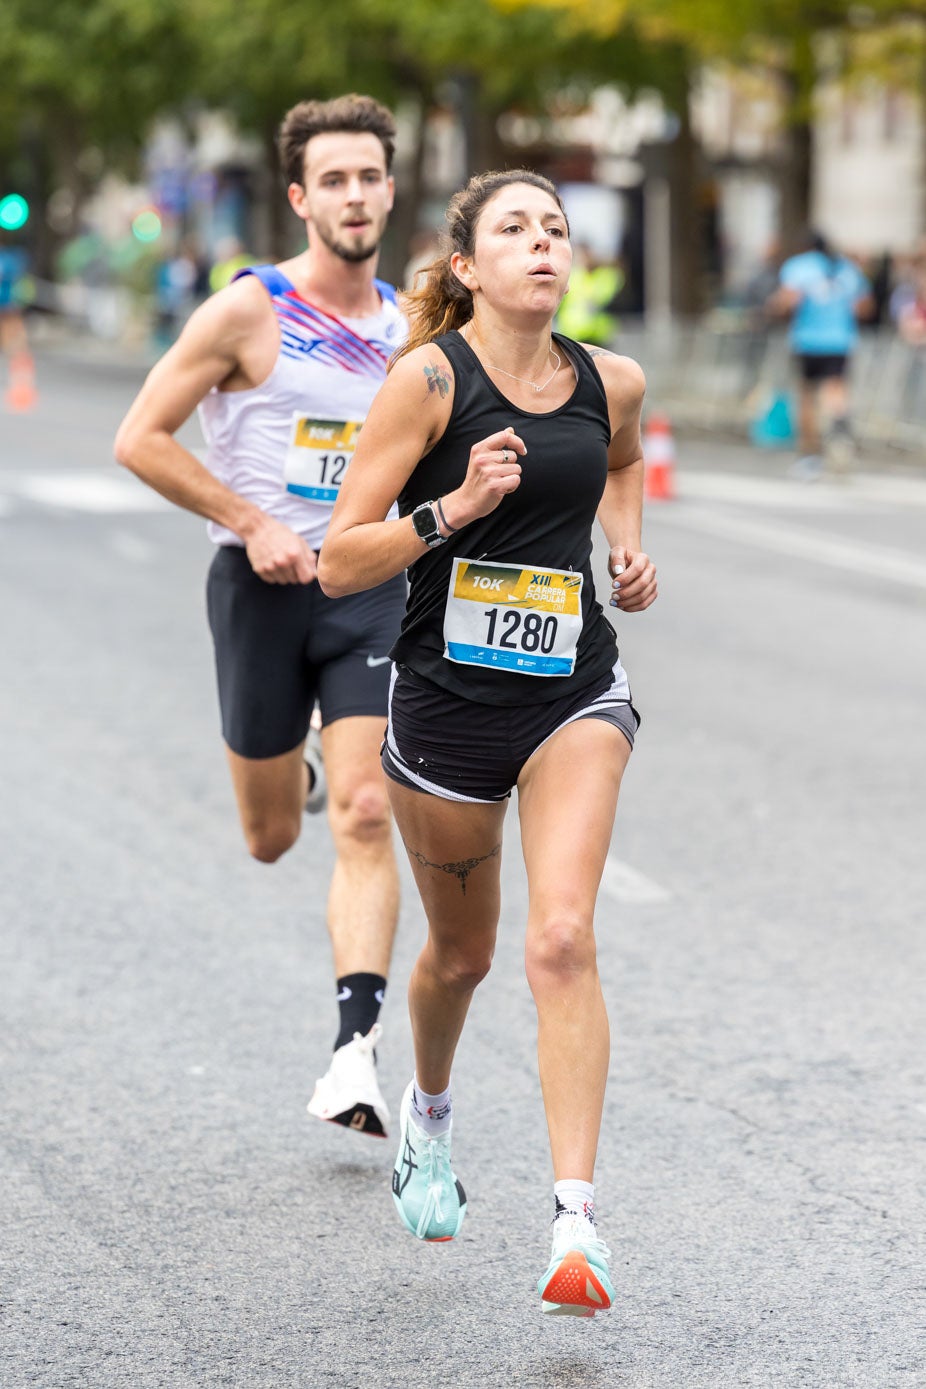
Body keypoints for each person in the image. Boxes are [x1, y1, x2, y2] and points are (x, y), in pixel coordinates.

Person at [318, 169, 658, 1316]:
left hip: (573, 689)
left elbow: (615, 463)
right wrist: (449, 514)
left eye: (555, 229)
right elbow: (338, 558)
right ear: (466, 267)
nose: (542, 245)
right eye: (514, 230)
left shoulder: (610, 381)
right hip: (445, 706)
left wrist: (625, 548)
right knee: (460, 956)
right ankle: (428, 1116)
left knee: (559, 939)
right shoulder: (425, 381)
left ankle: (575, 1220)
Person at [114, 94, 408, 1139]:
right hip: (258, 592)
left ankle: (353, 1055)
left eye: (369, 175)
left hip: (369, 587)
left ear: (389, 187)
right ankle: (301, 761)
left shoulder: (416, 327)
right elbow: (140, 437)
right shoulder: (250, 311)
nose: (354, 194)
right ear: (299, 197)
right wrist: (248, 521)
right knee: (272, 836)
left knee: (370, 813)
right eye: (333, 179)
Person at [767, 230, 872, 478]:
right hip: (841, 340)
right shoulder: (847, 268)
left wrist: (771, 308)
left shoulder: (798, 267)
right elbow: (864, 307)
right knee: (836, 389)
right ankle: (840, 428)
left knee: (806, 396)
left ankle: (810, 455)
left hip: (808, 340)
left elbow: (787, 300)